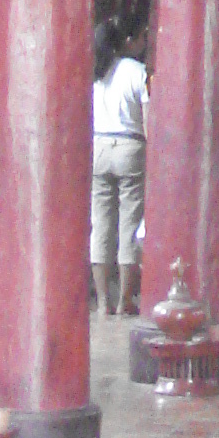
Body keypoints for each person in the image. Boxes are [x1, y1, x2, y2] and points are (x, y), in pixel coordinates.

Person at [90, 21, 147, 316]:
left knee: (100, 224)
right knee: (128, 224)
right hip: (129, 146)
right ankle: (125, 300)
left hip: (98, 147)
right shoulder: (136, 71)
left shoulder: (94, 73)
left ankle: (102, 302)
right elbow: (148, 115)